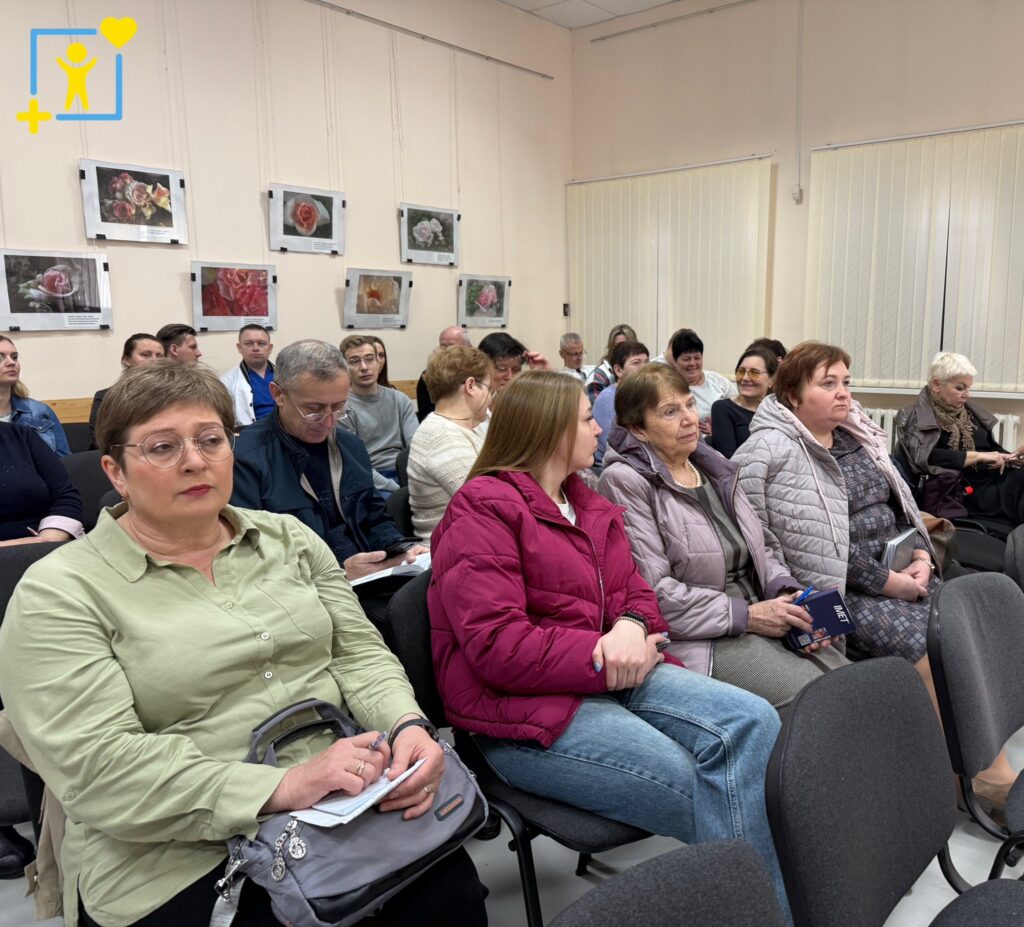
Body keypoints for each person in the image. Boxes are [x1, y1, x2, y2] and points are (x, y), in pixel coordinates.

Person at [0, 360, 486, 927]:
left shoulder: (289, 539)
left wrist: (407, 726)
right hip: (175, 851)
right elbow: (101, 767)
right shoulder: (59, 593)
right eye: (162, 447)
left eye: (211, 440)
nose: (194, 461)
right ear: (116, 472)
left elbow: (357, 654)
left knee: (450, 896)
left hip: (346, 800)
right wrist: (286, 785)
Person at [428, 370, 790, 915]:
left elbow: (638, 593)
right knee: (716, 789)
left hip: (610, 674)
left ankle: (746, 907)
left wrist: (631, 627)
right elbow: (497, 646)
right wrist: (606, 655)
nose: (599, 430)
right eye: (585, 420)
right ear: (551, 432)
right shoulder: (481, 508)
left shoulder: (588, 501)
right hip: (524, 711)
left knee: (756, 720)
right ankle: (763, 912)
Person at [733, 341, 1017, 811]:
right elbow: (803, 550)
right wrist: (889, 583)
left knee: (967, 626)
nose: (844, 393)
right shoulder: (768, 453)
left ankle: (966, 760)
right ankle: (982, 777)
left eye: (846, 382)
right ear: (793, 394)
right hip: (839, 591)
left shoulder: (854, 436)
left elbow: (901, 504)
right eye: (828, 384)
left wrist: (921, 554)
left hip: (900, 570)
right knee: (931, 645)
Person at [599, 364, 846, 712]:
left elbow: (763, 545)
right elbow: (655, 593)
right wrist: (749, 615)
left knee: (856, 683)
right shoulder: (625, 481)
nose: (689, 418)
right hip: (705, 636)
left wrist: (784, 594)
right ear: (638, 428)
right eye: (670, 412)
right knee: (822, 703)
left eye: (689, 404)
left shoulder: (710, 463)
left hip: (762, 612)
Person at [231, 340, 427, 623]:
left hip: (369, 577)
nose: (328, 422)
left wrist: (401, 549)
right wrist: (338, 572)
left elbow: (373, 515)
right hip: (303, 594)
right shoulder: (245, 459)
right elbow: (253, 556)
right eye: (314, 409)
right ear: (278, 395)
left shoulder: (349, 445)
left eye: (339, 407)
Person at [896, 351, 1024, 524]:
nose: (967, 394)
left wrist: (1010, 457)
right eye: (960, 388)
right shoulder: (915, 416)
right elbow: (927, 456)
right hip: (961, 490)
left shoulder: (969, 413)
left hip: (988, 478)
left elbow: (988, 448)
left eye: (968, 388)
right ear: (936, 385)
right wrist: (978, 456)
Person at [407, 346, 491, 541]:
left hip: (473, 537)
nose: (490, 398)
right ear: (471, 386)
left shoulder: (466, 427)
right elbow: (486, 501)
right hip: (451, 545)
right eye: (489, 389)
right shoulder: (439, 435)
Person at [340, 335, 419, 494]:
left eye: (369, 359)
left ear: (379, 362)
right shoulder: (342, 407)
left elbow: (416, 448)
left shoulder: (400, 399)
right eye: (354, 361)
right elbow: (356, 463)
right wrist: (397, 490)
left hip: (406, 473)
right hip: (370, 480)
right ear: (344, 367)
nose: (364, 367)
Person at [0, 422, 84, 546]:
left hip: (49, 542)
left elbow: (65, 495)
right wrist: (18, 547)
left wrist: (46, 541)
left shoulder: (21, 435)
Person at [89, 333, 165, 447]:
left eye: (160, 356)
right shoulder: (106, 397)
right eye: (146, 355)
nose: (155, 361)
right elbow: (101, 440)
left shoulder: (171, 395)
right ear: (127, 360)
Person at [0, 335, 70, 456]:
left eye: (14, 357)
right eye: (0, 357)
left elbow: (65, 461)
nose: (11, 362)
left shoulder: (40, 411)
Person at [709, 344, 778, 458]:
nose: (745, 378)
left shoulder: (779, 411)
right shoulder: (723, 408)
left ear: (771, 380)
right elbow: (728, 459)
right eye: (741, 371)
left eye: (754, 372)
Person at [590, 340, 649, 470]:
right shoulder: (609, 398)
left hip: (638, 463)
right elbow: (612, 446)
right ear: (618, 370)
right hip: (612, 467)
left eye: (646, 362)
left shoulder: (645, 394)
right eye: (636, 363)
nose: (645, 368)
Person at [669, 329, 736, 436]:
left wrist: (720, 427)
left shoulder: (717, 380)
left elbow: (738, 408)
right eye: (686, 359)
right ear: (675, 360)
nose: (692, 363)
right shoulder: (668, 387)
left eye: (697, 358)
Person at [220, 323, 275, 428]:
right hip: (251, 433)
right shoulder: (226, 382)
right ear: (239, 348)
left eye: (261, 343)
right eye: (249, 344)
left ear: (270, 348)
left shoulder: (285, 374)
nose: (255, 348)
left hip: (286, 431)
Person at [417, 326, 469, 421]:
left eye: (451, 346)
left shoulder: (476, 372)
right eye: (443, 346)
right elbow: (426, 414)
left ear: (467, 347)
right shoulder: (428, 376)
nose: (446, 351)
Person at [584, 323, 637, 403]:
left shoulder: (637, 371)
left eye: (627, 345)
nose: (622, 349)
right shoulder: (599, 375)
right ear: (610, 347)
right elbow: (598, 408)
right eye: (617, 345)